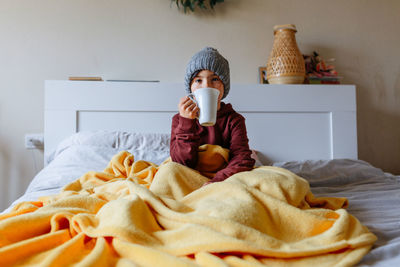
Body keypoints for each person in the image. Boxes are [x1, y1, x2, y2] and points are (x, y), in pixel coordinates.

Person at [170, 47, 255, 185]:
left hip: (224, 176)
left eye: (214, 79)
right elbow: (180, 163)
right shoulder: (179, 119)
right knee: (168, 172)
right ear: (190, 88)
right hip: (189, 176)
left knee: (270, 178)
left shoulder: (234, 120)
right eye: (198, 80)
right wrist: (186, 122)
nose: (207, 86)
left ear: (224, 86)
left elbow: (241, 158)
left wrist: (217, 181)